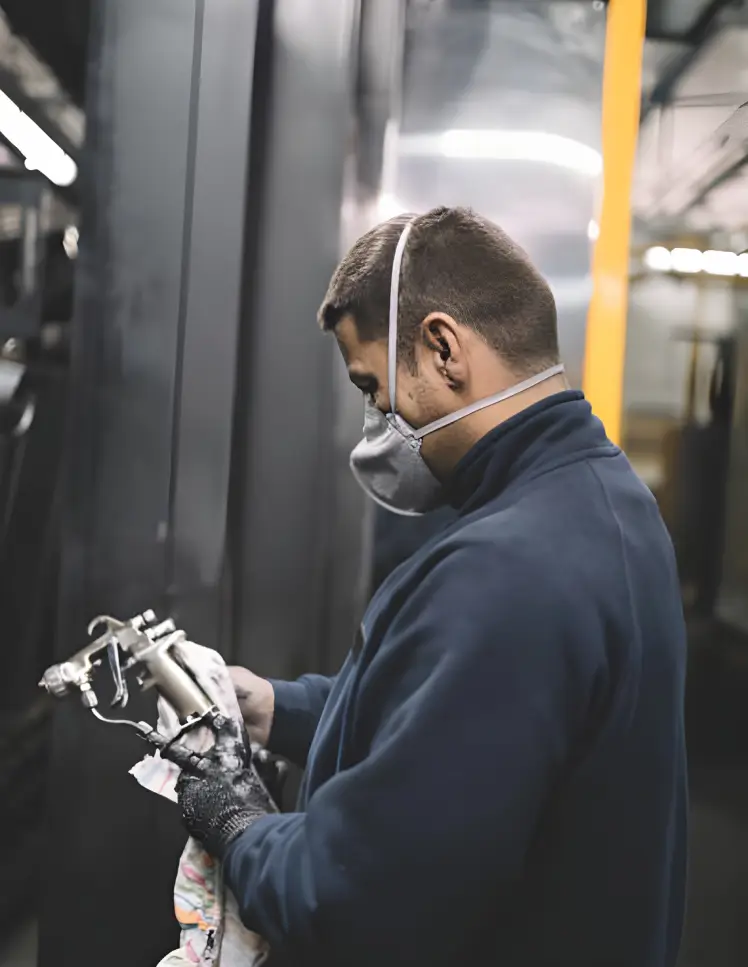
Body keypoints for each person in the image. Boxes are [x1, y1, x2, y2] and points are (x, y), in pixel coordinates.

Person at [166, 207, 687, 966]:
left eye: (374, 388)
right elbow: (459, 738)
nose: (378, 420)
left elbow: (348, 892)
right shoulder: (607, 503)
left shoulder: (507, 571)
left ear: (442, 348)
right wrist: (276, 709)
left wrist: (236, 819)